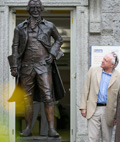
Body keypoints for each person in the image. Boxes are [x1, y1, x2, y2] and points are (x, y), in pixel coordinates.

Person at [8, 0, 64, 137]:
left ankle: (51, 129)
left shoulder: (49, 26)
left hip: (44, 66)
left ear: (41, 9)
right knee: (27, 99)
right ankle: (28, 128)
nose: (35, 10)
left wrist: (52, 54)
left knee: (48, 97)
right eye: (32, 7)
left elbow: (59, 39)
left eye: (37, 7)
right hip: (26, 67)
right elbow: (15, 47)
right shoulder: (20, 28)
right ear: (28, 9)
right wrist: (14, 66)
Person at [80, 52, 120, 142]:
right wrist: (83, 107)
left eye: (105, 60)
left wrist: (117, 116)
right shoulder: (93, 70)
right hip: (93, 109)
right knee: (93, 138)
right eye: (103, 58)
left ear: (112, 65)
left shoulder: (119, 77)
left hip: (108, 111)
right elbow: (86, 89)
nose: (102, 61)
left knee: (106, 138)